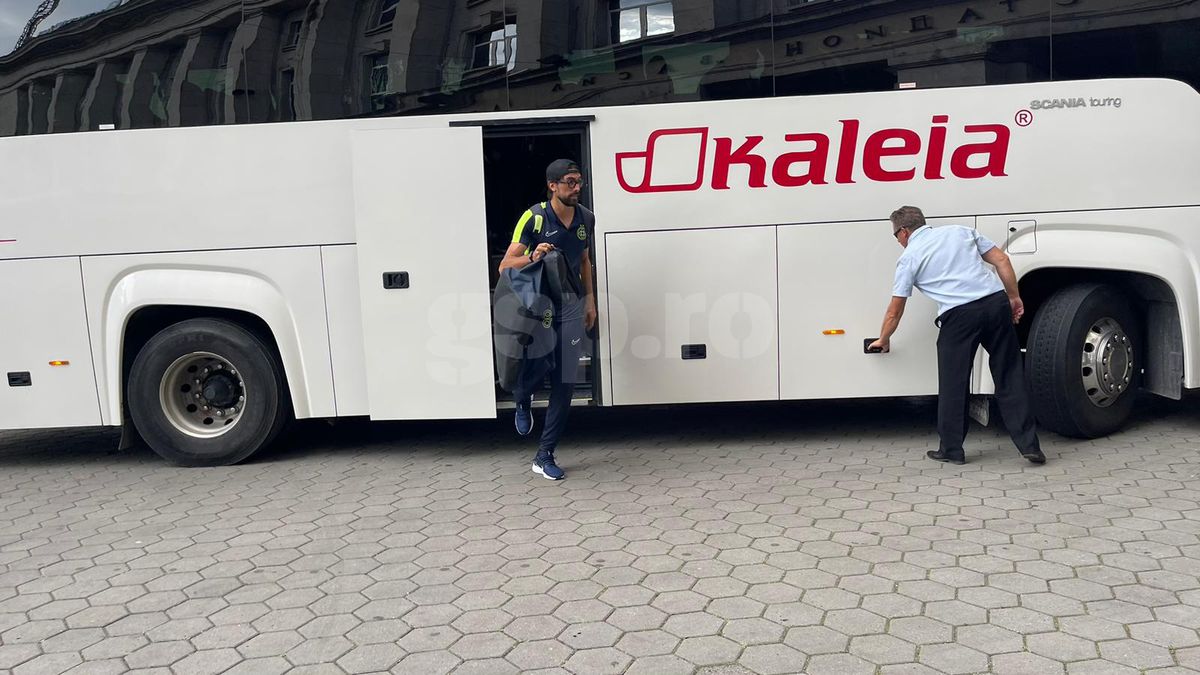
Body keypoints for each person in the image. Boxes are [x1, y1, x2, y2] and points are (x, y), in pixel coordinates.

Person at [869, 206, 1046, 466]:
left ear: (904, 232)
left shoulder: (910, 257)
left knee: (954, 383)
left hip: (960, 317)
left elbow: (895, 310)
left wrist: (883, 339)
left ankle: (952, 450)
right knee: (1009, 375)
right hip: (995, 304)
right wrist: (1013, 297)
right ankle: (1030, 446)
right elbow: (1002, 261)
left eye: (896, 237)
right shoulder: (960, 232)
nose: (898, 242)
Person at [497, 159, 597, 480]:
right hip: (540, 307)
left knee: (565, 382)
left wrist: (590, 301)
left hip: (569, 305)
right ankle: (522, 399)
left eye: (579, 181)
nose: (576, 187)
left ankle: (545, 454)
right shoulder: (535, 217)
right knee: (537, 367)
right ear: (552, 186)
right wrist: (533, 256)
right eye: (570, 182)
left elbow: (583, 259)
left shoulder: (586, 219)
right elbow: (506, 265)